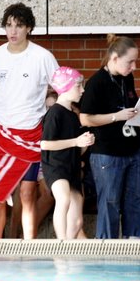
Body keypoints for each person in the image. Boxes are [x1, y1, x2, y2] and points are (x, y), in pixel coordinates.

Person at [0, 2, 59, 239]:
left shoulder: (43, 56)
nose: (12, 31)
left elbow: (62, 87)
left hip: (30, 133)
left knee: (27, 192)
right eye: (9, 25)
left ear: (28, 28)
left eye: (19, 26)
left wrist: (55, 109)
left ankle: (28, 246)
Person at [79, 34, 140, 239]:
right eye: (130, 62)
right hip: (108, 153)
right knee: (110, 203)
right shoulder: (97, 82)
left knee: (136, 200)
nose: (134, 67)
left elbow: (129, 106)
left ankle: (134, 243)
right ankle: (107, 248)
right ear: (115, 58)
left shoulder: (127, 78)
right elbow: (85, 118)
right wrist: (116, 116)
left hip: (132, 148)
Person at [40, 67, 95, 240]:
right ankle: (61, 243)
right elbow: (45, 144)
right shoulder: (54, 113)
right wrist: (76, 142)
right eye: (78, 86)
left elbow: (75, 148)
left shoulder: (72, 115)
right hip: (55, 166)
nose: (82, 90)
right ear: (65, 87)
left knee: (77, 220)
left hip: (71, 166)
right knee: (63, 199)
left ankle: (68, 244)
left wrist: (84, 143)